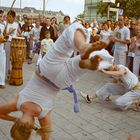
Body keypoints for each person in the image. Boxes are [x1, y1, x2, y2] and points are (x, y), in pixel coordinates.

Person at [0, 22, 107, 140]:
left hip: (60, 82)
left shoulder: (42, 115)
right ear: (17, 123)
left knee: (80, 65)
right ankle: (82, 47)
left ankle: (89, 63)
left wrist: (37, 130)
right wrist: (14, 119)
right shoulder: (18, 103)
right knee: (71, 31)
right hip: (45, 71)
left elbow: (46, 137)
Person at [0, 9, 6, 88]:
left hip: (1, 47)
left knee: (2, 64)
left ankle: (1, 82)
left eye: (1, 16)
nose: (1, 18)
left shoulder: (3, 25)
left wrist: (5, 37)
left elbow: (4, 35)